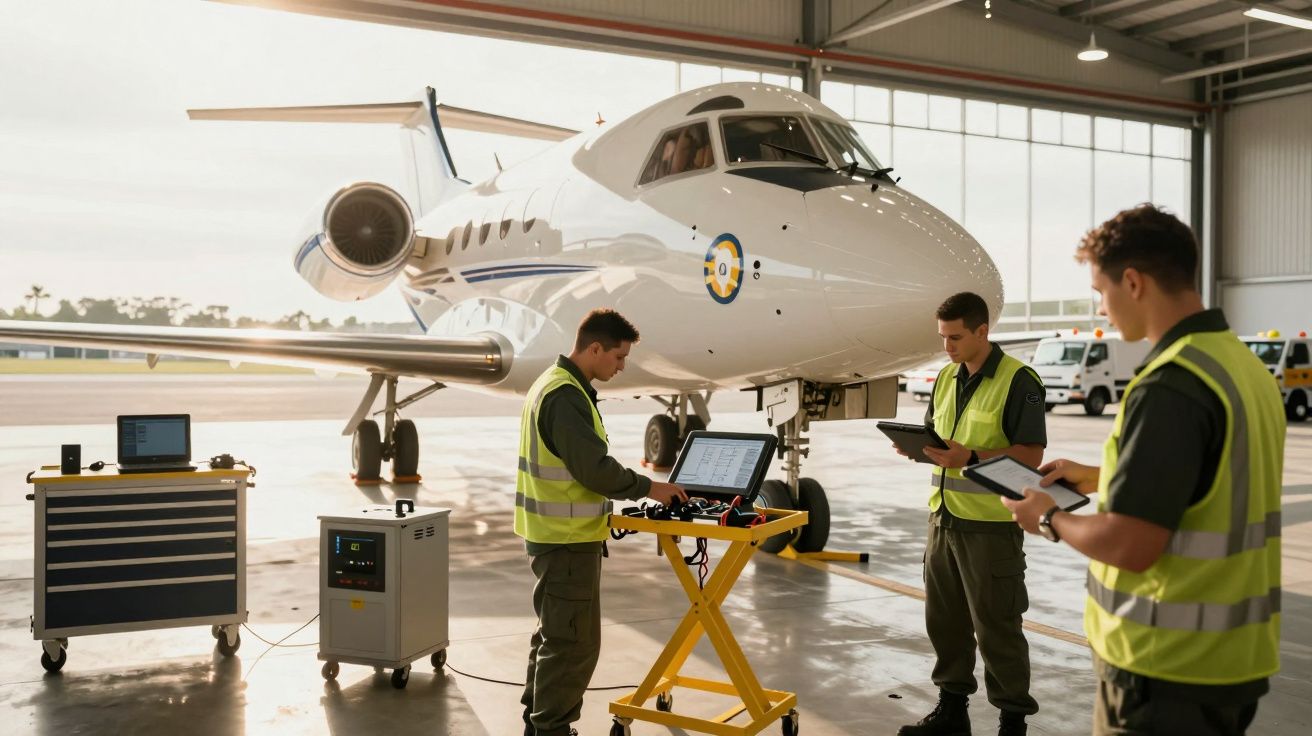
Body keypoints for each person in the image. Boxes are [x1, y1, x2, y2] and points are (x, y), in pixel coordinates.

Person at [1003, 205, 1284, 736]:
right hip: (1233, 662)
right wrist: (1100, 474)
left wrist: (1048, 519)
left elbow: (1132, 544)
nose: (1102, 308)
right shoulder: (1241, 366)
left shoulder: (1170, 384)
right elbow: (1214, 482)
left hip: (1163, 669)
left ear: (1132, 282)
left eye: (1100, 291)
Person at [516, 308, 687, 736]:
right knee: (572, 645)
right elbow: (592, 469)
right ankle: (551, 730)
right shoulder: (565, 396)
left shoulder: (554, 384)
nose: (622, 366)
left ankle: (537, 726)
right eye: (618, 357)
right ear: (595, 348)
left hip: (555, 537)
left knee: (554, 636)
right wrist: (651, 488)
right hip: (566, 543)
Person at [895, 291, 1047, 736]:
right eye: (942, 337)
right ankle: (952, 712)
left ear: (983, 331)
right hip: (942, 519)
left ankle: (1012, 722)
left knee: (997, 627)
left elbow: (1031, 457)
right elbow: (944, 441)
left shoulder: (1020, 381)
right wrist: (922, 450)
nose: (948, 346)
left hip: (992, 525)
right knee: (945, 623)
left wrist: (970, 457)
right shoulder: (945, 378)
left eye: (956, 337)